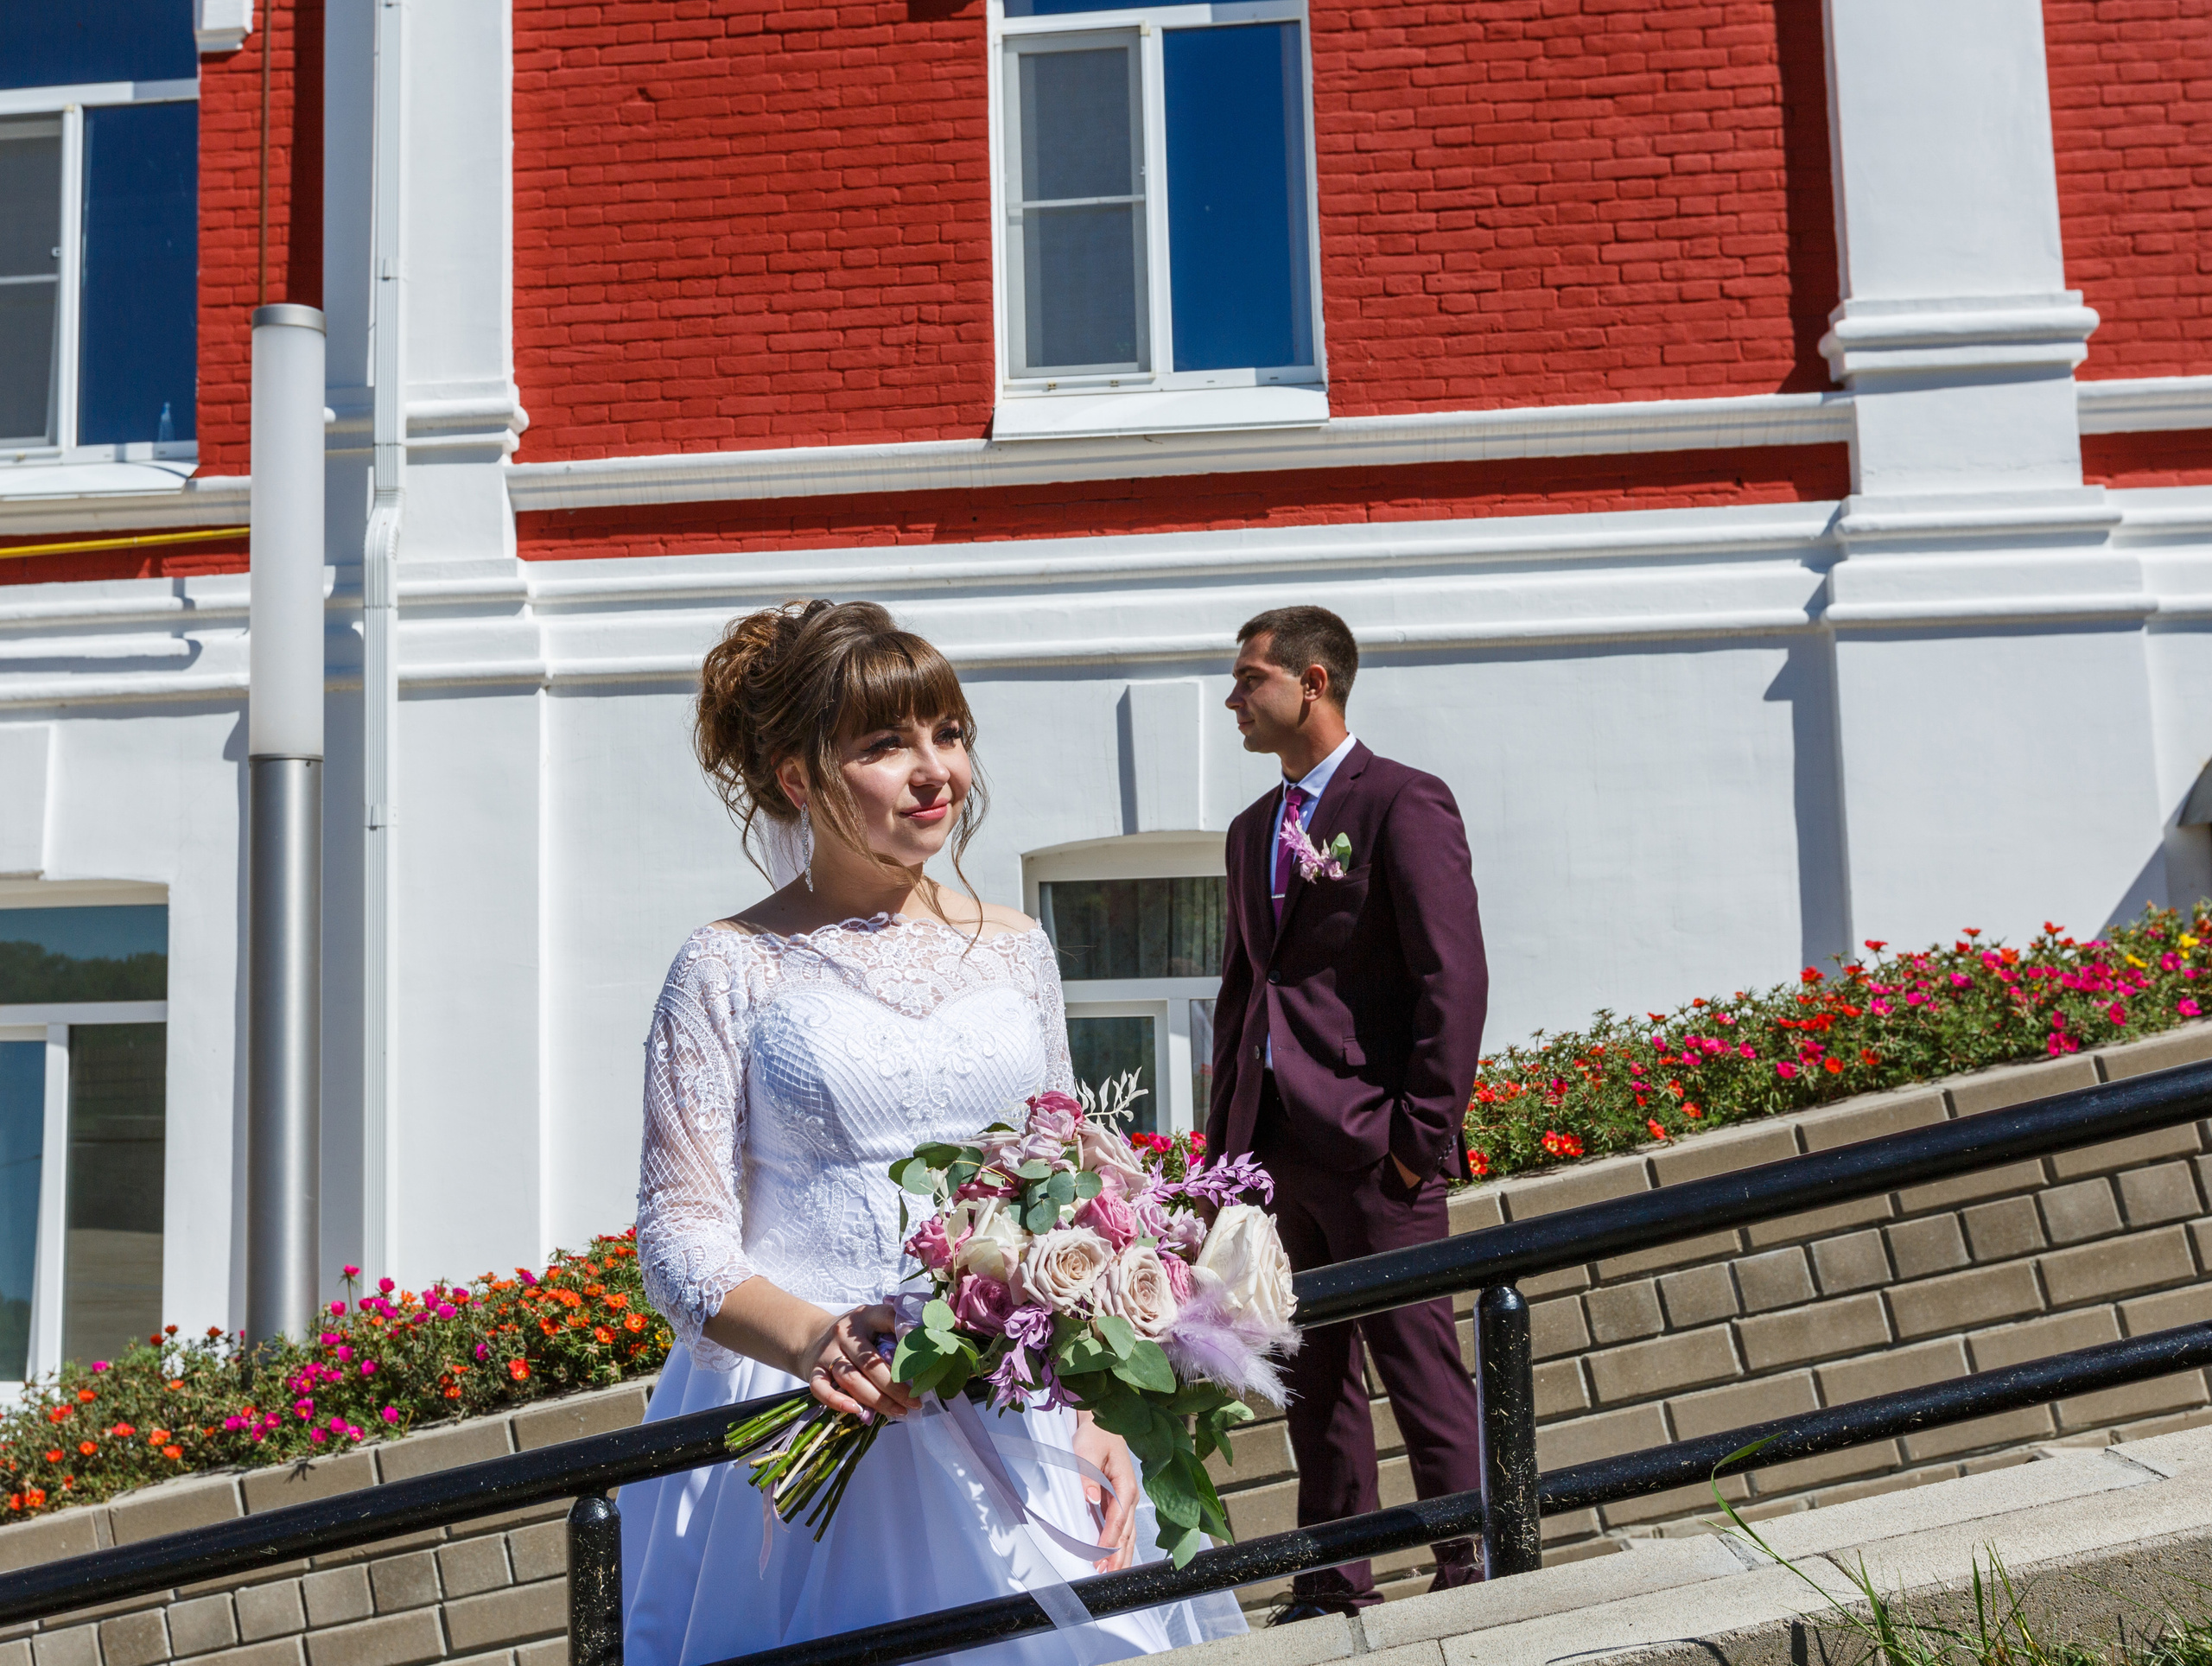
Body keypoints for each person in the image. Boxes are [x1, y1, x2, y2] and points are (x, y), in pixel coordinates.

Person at [623, 600, 1247, 1666]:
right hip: (827, 1414)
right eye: (884, 744)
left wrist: (1107, 1404)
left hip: (1025, 1405)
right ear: (795, 778)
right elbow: (677, 1236)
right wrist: (816, 1338)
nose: (935, 769)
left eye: (947, 733)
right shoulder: (724, 965)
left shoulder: (1017, 947)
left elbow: (1078, 1175)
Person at [1205, 606, 1491, 1621]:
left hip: (1376, 1150)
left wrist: (1416, 1143)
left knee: (1421, 1366)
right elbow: (1242, 996)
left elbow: (1449, 978)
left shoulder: (1402, 801)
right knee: (1310, 1376)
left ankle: (1474, 1562)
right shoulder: (1250, 833)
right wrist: (1221, 1164)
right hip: (1274, 1155)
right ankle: (1333, 1577)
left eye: (1248, 681)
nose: (1234, 699)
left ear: (1312, 681)